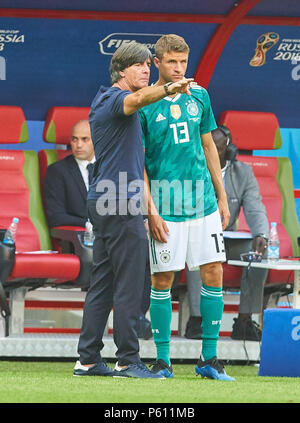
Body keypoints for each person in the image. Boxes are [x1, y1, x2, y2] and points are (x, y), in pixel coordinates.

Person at [74, 41, 193, 378]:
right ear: (121, 71)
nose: (146, 69)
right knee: (130, 283)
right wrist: (171, 86)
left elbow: (142, 96)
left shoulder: (104, 99)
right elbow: (139, 99)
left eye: (147, 64)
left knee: (104, 282)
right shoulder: (115, 99)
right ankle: (128, 359)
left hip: (106, 198)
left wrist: (163, 86)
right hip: (119, 200)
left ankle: (87, 359)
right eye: (139, 66)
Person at [139, 34, 235, 381]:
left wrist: (221, 196)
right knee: (163, 279)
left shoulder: (200, 95)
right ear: (157, 63)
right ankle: (163, 361)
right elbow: (140, 165)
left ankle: (209, 358)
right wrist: (150, 211)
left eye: (183, 62)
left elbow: (209, 145)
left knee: (214, 274)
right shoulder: (145, 102)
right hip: (165, 207)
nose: (179, 69)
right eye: (172, 62)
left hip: (204, 204)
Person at [184, 125, 269, 341]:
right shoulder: (190, 168)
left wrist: (262, 235)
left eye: (217, 148)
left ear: (228, 149)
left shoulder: (243, 173)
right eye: (206, 148)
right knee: (198, 248)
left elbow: (255, 207)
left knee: (257, 254)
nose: (210, 152)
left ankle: (244, 320)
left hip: (229, 237)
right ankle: (197, 319)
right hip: (197, 233)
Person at [44, 120, 95, 229]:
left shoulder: (110, 168)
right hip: (78, 237)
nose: (79, 145)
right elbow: (56, 217)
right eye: (74, 139)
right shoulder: (57, 171)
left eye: (84, 139)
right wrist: (87, 224)